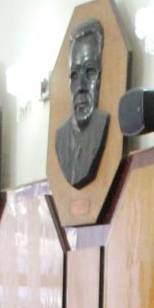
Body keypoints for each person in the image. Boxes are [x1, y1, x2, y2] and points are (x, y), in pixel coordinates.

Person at [54, 18, 110, 188]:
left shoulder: (102, 123)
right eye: (74, 75)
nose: (81, 86)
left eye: (90, 72)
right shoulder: (61, 137)